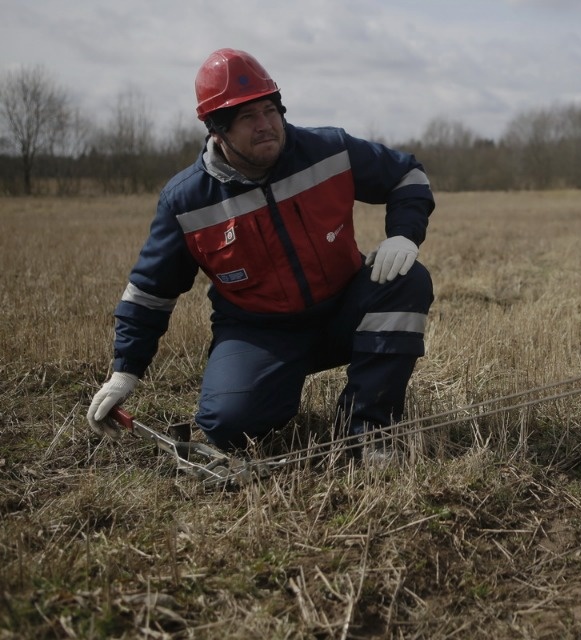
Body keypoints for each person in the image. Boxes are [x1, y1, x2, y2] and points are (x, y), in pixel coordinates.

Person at [86, 48, 435, 458]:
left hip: (345, 310)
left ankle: (367, 428)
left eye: (271, 110)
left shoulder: (330, 149)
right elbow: (150, 292)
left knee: (407, 279)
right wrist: (126, 369)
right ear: (217, 129)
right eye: (248, 118)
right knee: (229, 425)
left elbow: (407, 173)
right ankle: (269, 393)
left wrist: (404, 235)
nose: (266, 125)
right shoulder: (186, 201)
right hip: (260, 334)